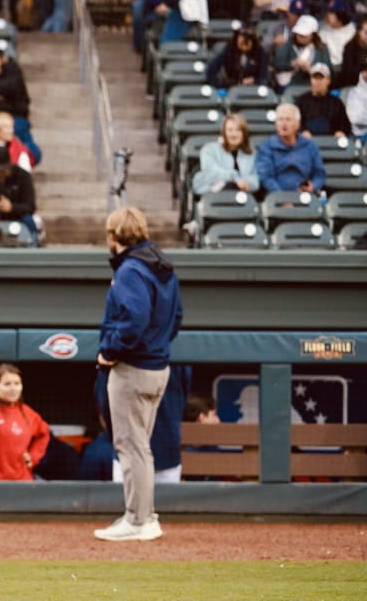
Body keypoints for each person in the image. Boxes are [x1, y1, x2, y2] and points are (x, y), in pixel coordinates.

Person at [94, 206, 181, 542]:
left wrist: (110, 351)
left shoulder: (132, 269)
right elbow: (177, 318)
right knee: (140, 446)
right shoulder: (162, 266)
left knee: (130, 447)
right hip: (158, 366)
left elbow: (133, 320)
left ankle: (138, 519)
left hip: (133, 368)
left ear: (114, 235)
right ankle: (145, 516)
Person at [0, 363, 50, 480]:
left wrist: (33, 456)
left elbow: (44, 433)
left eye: (17, 384)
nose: (13, 389)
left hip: (22, 481)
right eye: (7, 384)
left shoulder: (28, 413)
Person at [255, 103, 326, 194]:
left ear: (298, 124)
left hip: (305, 195)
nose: (284, 124)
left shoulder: (310, 145)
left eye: (288, 120)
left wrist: (313, 186)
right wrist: (283, 198)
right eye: (280, 120)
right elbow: (266, 178)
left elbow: (319, 174)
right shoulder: (267, 146)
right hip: (277, 197)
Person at [192, 113, 258, 194]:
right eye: (230, 130)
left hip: (242, 195)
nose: (234, 134)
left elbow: (255, 180)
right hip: (211, 193)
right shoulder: (209, 149)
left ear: (244, 133)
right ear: (224, 132)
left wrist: (246, 184)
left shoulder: (251, 153)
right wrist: (234, 177)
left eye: (238, 130)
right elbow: (210, 173)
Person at [272, 16, 330, 94]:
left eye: (304, 36)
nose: (300, 38)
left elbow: (328, 70)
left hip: (313, 85)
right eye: (298, 34)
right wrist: (292, 64)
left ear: (313, 35)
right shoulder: (288, 45)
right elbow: (277, 63)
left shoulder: (321, 49)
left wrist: (312, 69)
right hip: (291, 85)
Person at [296, 64, 352, 139]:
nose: (318, 82)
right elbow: (295, 123)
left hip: (331, 144)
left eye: (321, 78)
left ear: (328, 80)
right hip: (307, 143)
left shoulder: (337, 103)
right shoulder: (301, 101)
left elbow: (345, 125)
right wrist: (302, 131)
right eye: (315, 78)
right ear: (311, 80)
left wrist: (341, 132)